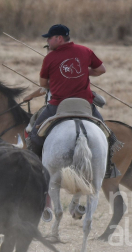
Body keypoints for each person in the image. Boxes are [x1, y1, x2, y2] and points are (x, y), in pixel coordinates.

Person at [23, 24, 119, 178]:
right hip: (85, 105)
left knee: (34, 137)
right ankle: (108, 168)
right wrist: (84, 71)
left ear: (59, 38)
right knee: (109, 136)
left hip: (57, 106)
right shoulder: (85, 51)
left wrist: (57, 80)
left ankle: (35, 169)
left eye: (49, 38)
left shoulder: (50, 58)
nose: (47, 41)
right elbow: (102, 70)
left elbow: (42, 84)